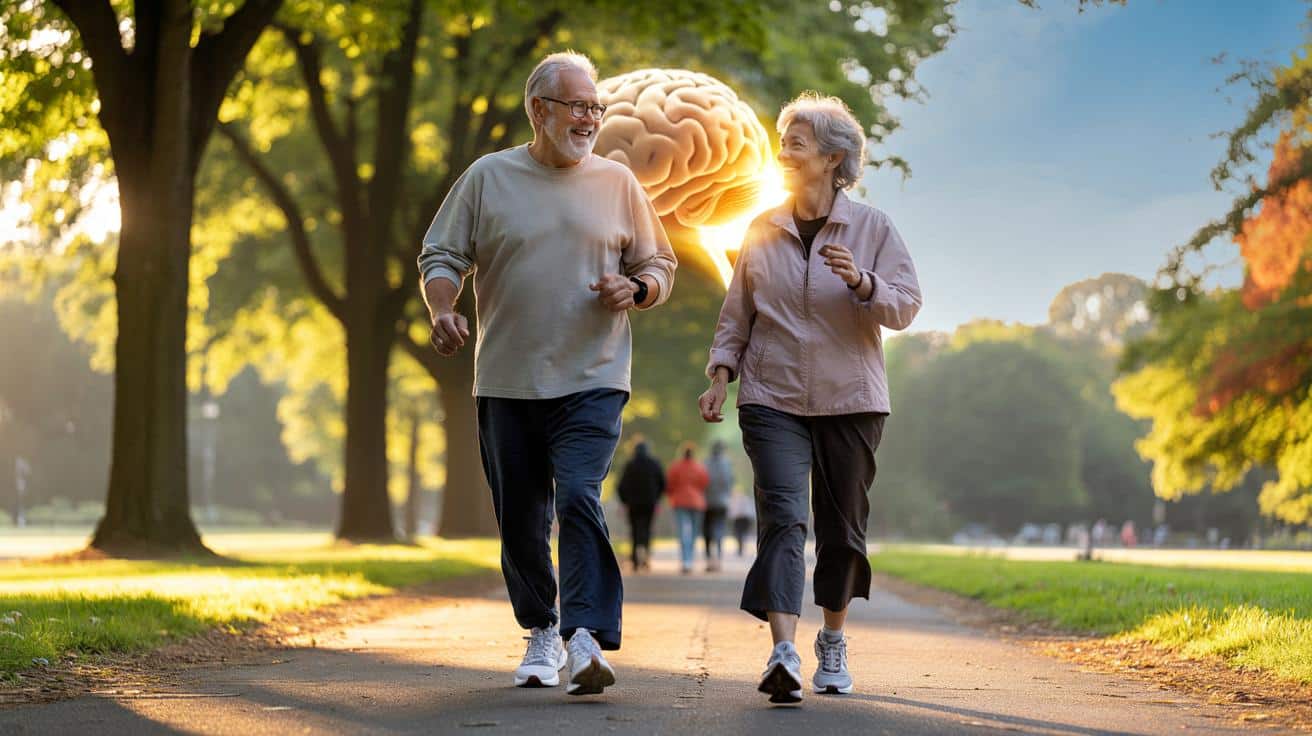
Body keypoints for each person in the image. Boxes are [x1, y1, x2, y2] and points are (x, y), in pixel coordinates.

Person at [418, 51, 676, 697]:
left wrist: (637, 288)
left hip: (594, 374)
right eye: (578, 106)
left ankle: (585, 635)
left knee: (580, 497)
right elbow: (442, 253)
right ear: (540, 109)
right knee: (522, 518)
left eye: (596, 107)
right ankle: (540, 628)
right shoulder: (487, 176)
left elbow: (660, 263)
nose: (590, 118)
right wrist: (444, 307)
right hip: (506, 377)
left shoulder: (618, 182)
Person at [698, 92, 922, 704]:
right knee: (783, 520)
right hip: (771, 398)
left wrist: (862, 281)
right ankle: (782, 652)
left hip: (852, 399)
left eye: (797, 140)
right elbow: (735, 315)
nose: (784, 149)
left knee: (842, 529)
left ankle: (832, 640)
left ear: (832, 157)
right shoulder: (760, 228)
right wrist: (721, 374)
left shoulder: (873, 228)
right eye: (784, 140)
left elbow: (905, 305)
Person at [616, 439, 665, 572]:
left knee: (635, 530)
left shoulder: (630, 465)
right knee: (647, 529)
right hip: (650, 503)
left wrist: (624, 501)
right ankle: (646, 557)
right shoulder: (654, 464)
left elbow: (621, 486)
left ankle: (635, 560)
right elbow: (662, 483)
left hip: (633, 504)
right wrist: (657, 498)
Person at [665, 442, 710, 574]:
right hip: (697, 503)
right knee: (694, 533)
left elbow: (669, 485)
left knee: (683, 532)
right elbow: (705, 483)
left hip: (680, 502)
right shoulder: (699, 467)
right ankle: (690, 559)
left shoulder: (675, 467)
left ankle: (685, 561)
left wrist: (672, 495)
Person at [703, 440, 735, 571]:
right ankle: (719, 557)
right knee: (720, 527)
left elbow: (703, 480)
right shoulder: (726, 463)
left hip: (708, 501)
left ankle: (710, 557)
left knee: (707, 530)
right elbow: (729, 481)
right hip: (722, 501)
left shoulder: (705, 462)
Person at [729, 489, 757, 558]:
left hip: (741, 519)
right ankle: (741, 548)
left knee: (740, 534)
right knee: (740, 534)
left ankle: (741, 548)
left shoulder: (738, 500)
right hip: (743, 519)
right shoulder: (744, 499)